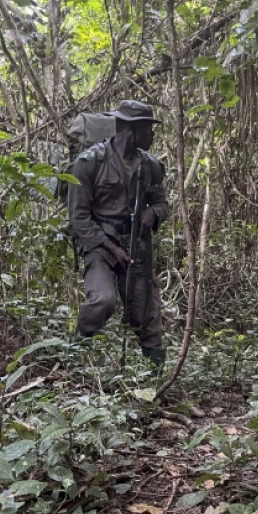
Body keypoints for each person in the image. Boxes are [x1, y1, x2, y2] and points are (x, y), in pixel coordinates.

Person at [67, 100, 169, 369]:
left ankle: (155, 376)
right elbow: (78, 217)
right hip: (101, 246)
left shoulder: (151, 166)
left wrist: (154, 213)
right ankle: (73, 357)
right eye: (149, 129)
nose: (153, 135)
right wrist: (112, 248)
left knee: (147, 314)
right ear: (131, 130)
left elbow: (162, 203)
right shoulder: (90, 162)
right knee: (103, 300)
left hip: (137, 247)